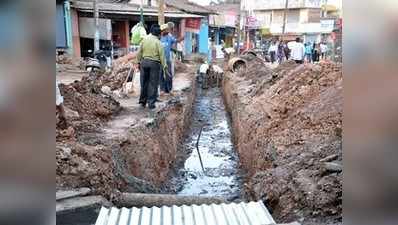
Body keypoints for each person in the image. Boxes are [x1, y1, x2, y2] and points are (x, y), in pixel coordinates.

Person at [135, 24, 167, 109]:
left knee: (144, 83)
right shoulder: (158, 43)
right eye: (160, 35)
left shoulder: (144, 40)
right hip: (154, 64)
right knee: (153, 84)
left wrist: (138, 62)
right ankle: (151, 103)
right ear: (159, 34)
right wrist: (165, 67)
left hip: (144, 63)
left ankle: (142, 101)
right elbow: (162, 56)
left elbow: (139, 52)